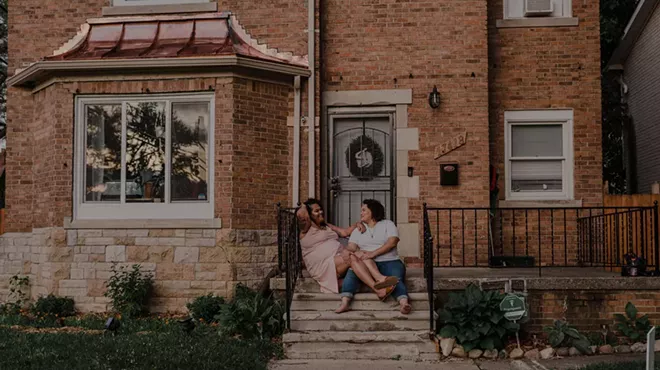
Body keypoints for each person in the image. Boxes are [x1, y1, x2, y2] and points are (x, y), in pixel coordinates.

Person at [296, 199, 399, 304]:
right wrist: (305, 205)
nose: (321, 212)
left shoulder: (326, 225)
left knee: (363, 253)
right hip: (322, 265)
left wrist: (358, 224)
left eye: (321, 210)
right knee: (352, 257)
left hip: (336, 259)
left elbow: (344, 232)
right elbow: (300, 214)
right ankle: (377, 289)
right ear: (308, 215)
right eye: (316, 211)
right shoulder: (305, 228)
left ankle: (380, 278)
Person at [337, 199, 412, 314]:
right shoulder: (358, 230)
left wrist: (372, 253)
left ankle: (404, 303)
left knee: (395, 279)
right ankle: (345, 302)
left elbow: (392, 242)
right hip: (366, 263)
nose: (361, 213)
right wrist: (348, 251)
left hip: (389, 260)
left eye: (364, 210)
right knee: (351, 273)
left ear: (372, 211)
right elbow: (351, 246)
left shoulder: (388, 224)